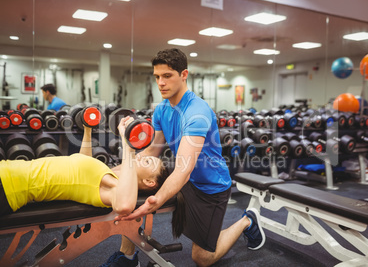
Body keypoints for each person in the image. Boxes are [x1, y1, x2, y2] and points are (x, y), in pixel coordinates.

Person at [103, 48, 265, 267]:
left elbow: (183, 169)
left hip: (210, 186)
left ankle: (247, 221)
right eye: (157, 77)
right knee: (133, 186)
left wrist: (156, 201)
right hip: (184, 179)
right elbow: (152, 151)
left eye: (167, 76)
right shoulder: (162, 109)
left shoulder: (196, 112)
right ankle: (128, 257)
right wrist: (110, 173)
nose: (160, 83)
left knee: (202, 258)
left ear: (184, 74)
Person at [0, 117, 168, 225]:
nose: (141, 156)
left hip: (9, 186)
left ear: (149, 181)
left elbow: (124, 205)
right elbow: (82, 162)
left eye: (147, 161)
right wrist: (88, 129)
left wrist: (129, 148)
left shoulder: (112, 185)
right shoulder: (107, 173)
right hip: (8, 170)